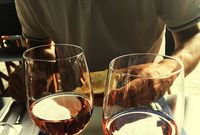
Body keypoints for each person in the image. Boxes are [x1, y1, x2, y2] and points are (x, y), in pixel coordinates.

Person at [7, 0, 200, 102]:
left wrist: (165, 70)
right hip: (73, 105)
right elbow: (39, 45)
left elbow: (193, 36)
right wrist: (34, 74)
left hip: (142, 100)